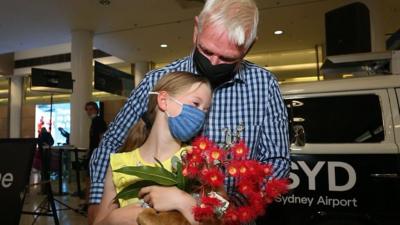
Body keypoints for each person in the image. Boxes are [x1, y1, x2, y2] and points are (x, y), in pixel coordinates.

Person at [89, 0, 290, 224]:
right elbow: (111, 144)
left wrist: (227, 211)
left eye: (227, 58)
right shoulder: (157, 81)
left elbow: (276, 161)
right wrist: (100, 206)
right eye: (206, 50)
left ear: (249, 47)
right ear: (196, 29)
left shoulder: (264, 86)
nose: (213, 62)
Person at [93, 72, 212, 225]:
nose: (200, 114)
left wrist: (181, 200)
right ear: (163, 100)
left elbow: (217, 218)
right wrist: (113, 219)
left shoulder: (200, 161)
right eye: (196, 104)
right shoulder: (119, 164)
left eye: (205, 110)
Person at [83, 101, 107, 208]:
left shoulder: (99, 121)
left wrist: (99, 153)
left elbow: (102, 137)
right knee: (88, 178)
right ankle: (87, 202)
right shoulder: (94, 122)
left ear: (96, 109)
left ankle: (89, 203)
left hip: (96, 155)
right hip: (93, 153)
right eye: (87, 109)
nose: (89, 111)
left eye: (91, 109)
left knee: (90, 179)